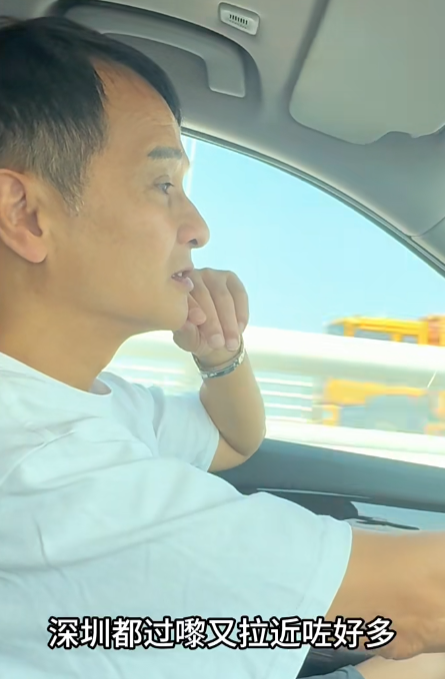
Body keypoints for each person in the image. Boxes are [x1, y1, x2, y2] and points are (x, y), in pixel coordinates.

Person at [0, 15, 445, 679]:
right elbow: (423, 600)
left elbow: (235, 441)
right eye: (163, 185)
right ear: (26, 214)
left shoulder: (83, 405)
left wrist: (220, 353)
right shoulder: (45, 465)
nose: (198, 227)